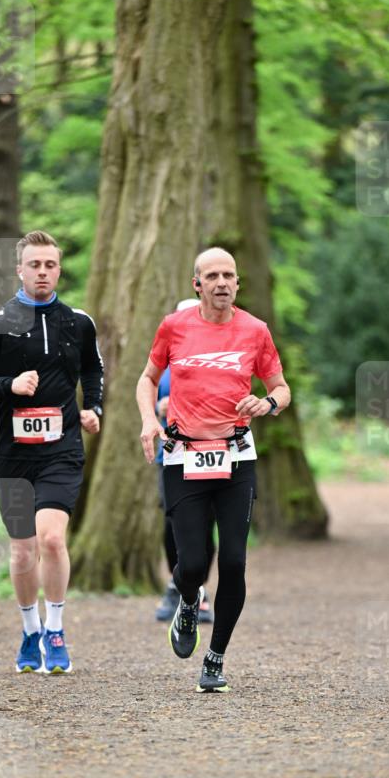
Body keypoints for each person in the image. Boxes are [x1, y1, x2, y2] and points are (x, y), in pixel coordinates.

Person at [136, 247, 291, 691]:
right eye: (213, 276)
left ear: (238, 283)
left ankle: (216, 659)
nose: (222, 282)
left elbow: (280, 389)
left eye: (229, 275)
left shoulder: (255, 331)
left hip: (236, 456)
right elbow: (147, 378)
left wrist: (266, 403)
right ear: (197, 284)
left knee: (236, 561)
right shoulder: (174, 327)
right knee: (192, 564)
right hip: (184, 455)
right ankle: (188, 601)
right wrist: (150, 420)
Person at [0, 230, 104, 672]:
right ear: (20, 270)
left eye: (50, 265)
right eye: (34, 265)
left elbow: (93, 370)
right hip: (14, 455)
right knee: (23, 551)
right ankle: (29, 632)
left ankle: (56, 628)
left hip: (62, 450)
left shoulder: (78, 322)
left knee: (52, 538)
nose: (42, 272)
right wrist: (10, 385)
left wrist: (92, 407)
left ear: (59, 269)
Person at [154, 309, 216, 624]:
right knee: (172, 521)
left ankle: (200, 590)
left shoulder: (217, 359)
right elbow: (147, 393)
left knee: (205, 523)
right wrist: (158, 407)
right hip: (172, 455)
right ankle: (175, 584)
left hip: (209, 452)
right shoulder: (164, 361)